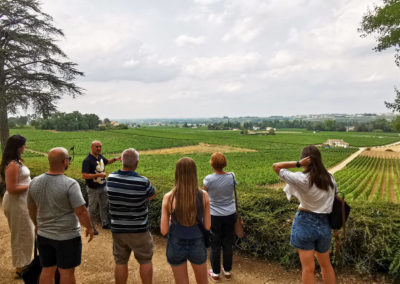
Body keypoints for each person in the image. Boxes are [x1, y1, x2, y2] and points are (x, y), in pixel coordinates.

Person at [27, 147, 94, 284]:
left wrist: (37, 224)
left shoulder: (34, 182)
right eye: (69, 159)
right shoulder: (70, 184)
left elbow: (31, 208)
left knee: (47, 269)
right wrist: (89, 227)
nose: (69, 161)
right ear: (64, 161)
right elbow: (81, 211)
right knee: (66, 272)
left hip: (44, 235)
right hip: (67, 237)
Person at [272, 145, 336, 284]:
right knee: (326, 264)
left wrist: (298, 164)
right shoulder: (330, 179)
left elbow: (276, 166)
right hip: (325, 224)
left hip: (305, 222)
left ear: (305, 160)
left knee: (308, 269)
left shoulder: (302, 179)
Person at [107, 148, 156, 284]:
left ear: (121, 160)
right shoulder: (142, 181)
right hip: (139, 229)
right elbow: (152, 194)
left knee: (120, 261)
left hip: (118, 229)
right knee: (145, 260)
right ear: (137, 163)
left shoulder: (110, 178)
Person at [160, 157, 211, 284]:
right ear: (194, 173)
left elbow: (164, 230)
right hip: (197, 243)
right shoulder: (204, 195)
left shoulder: (169, 197)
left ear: (177, 173)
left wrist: (172, 219)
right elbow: (208, 226)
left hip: (175, 244)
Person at [0, 135, 34, 278]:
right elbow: (12, 188)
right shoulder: (12, 165)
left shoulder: (16, 161)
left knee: (27, 234)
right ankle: (20, 267)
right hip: (16, 203)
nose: (25, 147)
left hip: (21, 201)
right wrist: (31, 185)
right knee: (21, 234)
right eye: (24, 145)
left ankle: (25, 263)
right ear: (18, 146)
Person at [203, 152, 236, 282]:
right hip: (230, 213)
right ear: (225, 163)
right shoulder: (232, 176)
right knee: (228, 243)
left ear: (212, 164)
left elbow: (204, 195)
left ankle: (215, 273)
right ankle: (227, 271)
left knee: (215, 244)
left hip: (214, 215)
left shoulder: (208, 179)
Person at [82, 140, 120, 234]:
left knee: (104, 206)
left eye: (100, 147)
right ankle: (90, 227)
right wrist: (98, 175)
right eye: (96, 147)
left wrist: (116, 158)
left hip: (103, 186)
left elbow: (107, 162)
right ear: (92, 147)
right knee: (92, 209)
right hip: (93, 188)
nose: (98, 148)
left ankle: (105, 224)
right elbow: (84, 175)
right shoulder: (87, 160)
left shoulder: (100, 157)